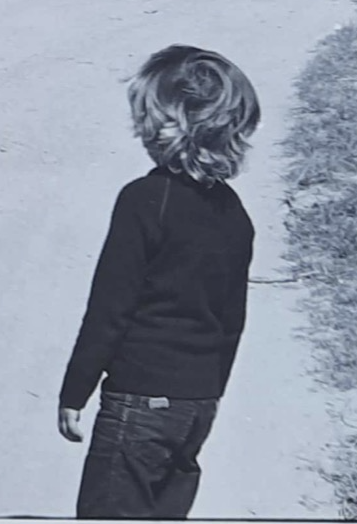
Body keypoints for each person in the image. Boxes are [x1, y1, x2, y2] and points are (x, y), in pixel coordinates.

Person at [58, 45, 261, 519]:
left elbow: (109, 309)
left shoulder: (144, 201)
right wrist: (207, 392)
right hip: (196, 406)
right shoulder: (235, 215)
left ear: (163, 129)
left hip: (137, 404)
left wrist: (75, 391)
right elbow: (232, 322)